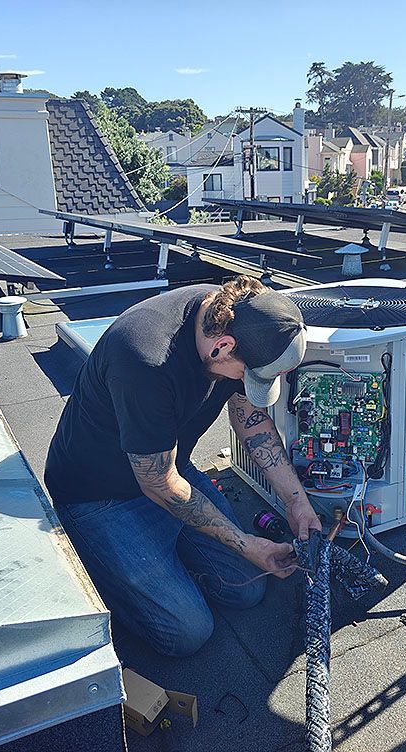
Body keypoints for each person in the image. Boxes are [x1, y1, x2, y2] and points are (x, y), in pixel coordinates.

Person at [44, 276, 322, 657]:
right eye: (247, 375)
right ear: (223, 347)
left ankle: (167, 567)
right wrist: (246, 543)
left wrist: (296, 501)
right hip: (99, 496)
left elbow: (250, 419)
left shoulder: (239, 318)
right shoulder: (145, 358)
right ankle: (103, 566)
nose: (245, 382)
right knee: (187, 632)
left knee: (248, 587)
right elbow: (158, 483)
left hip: (170, 469)